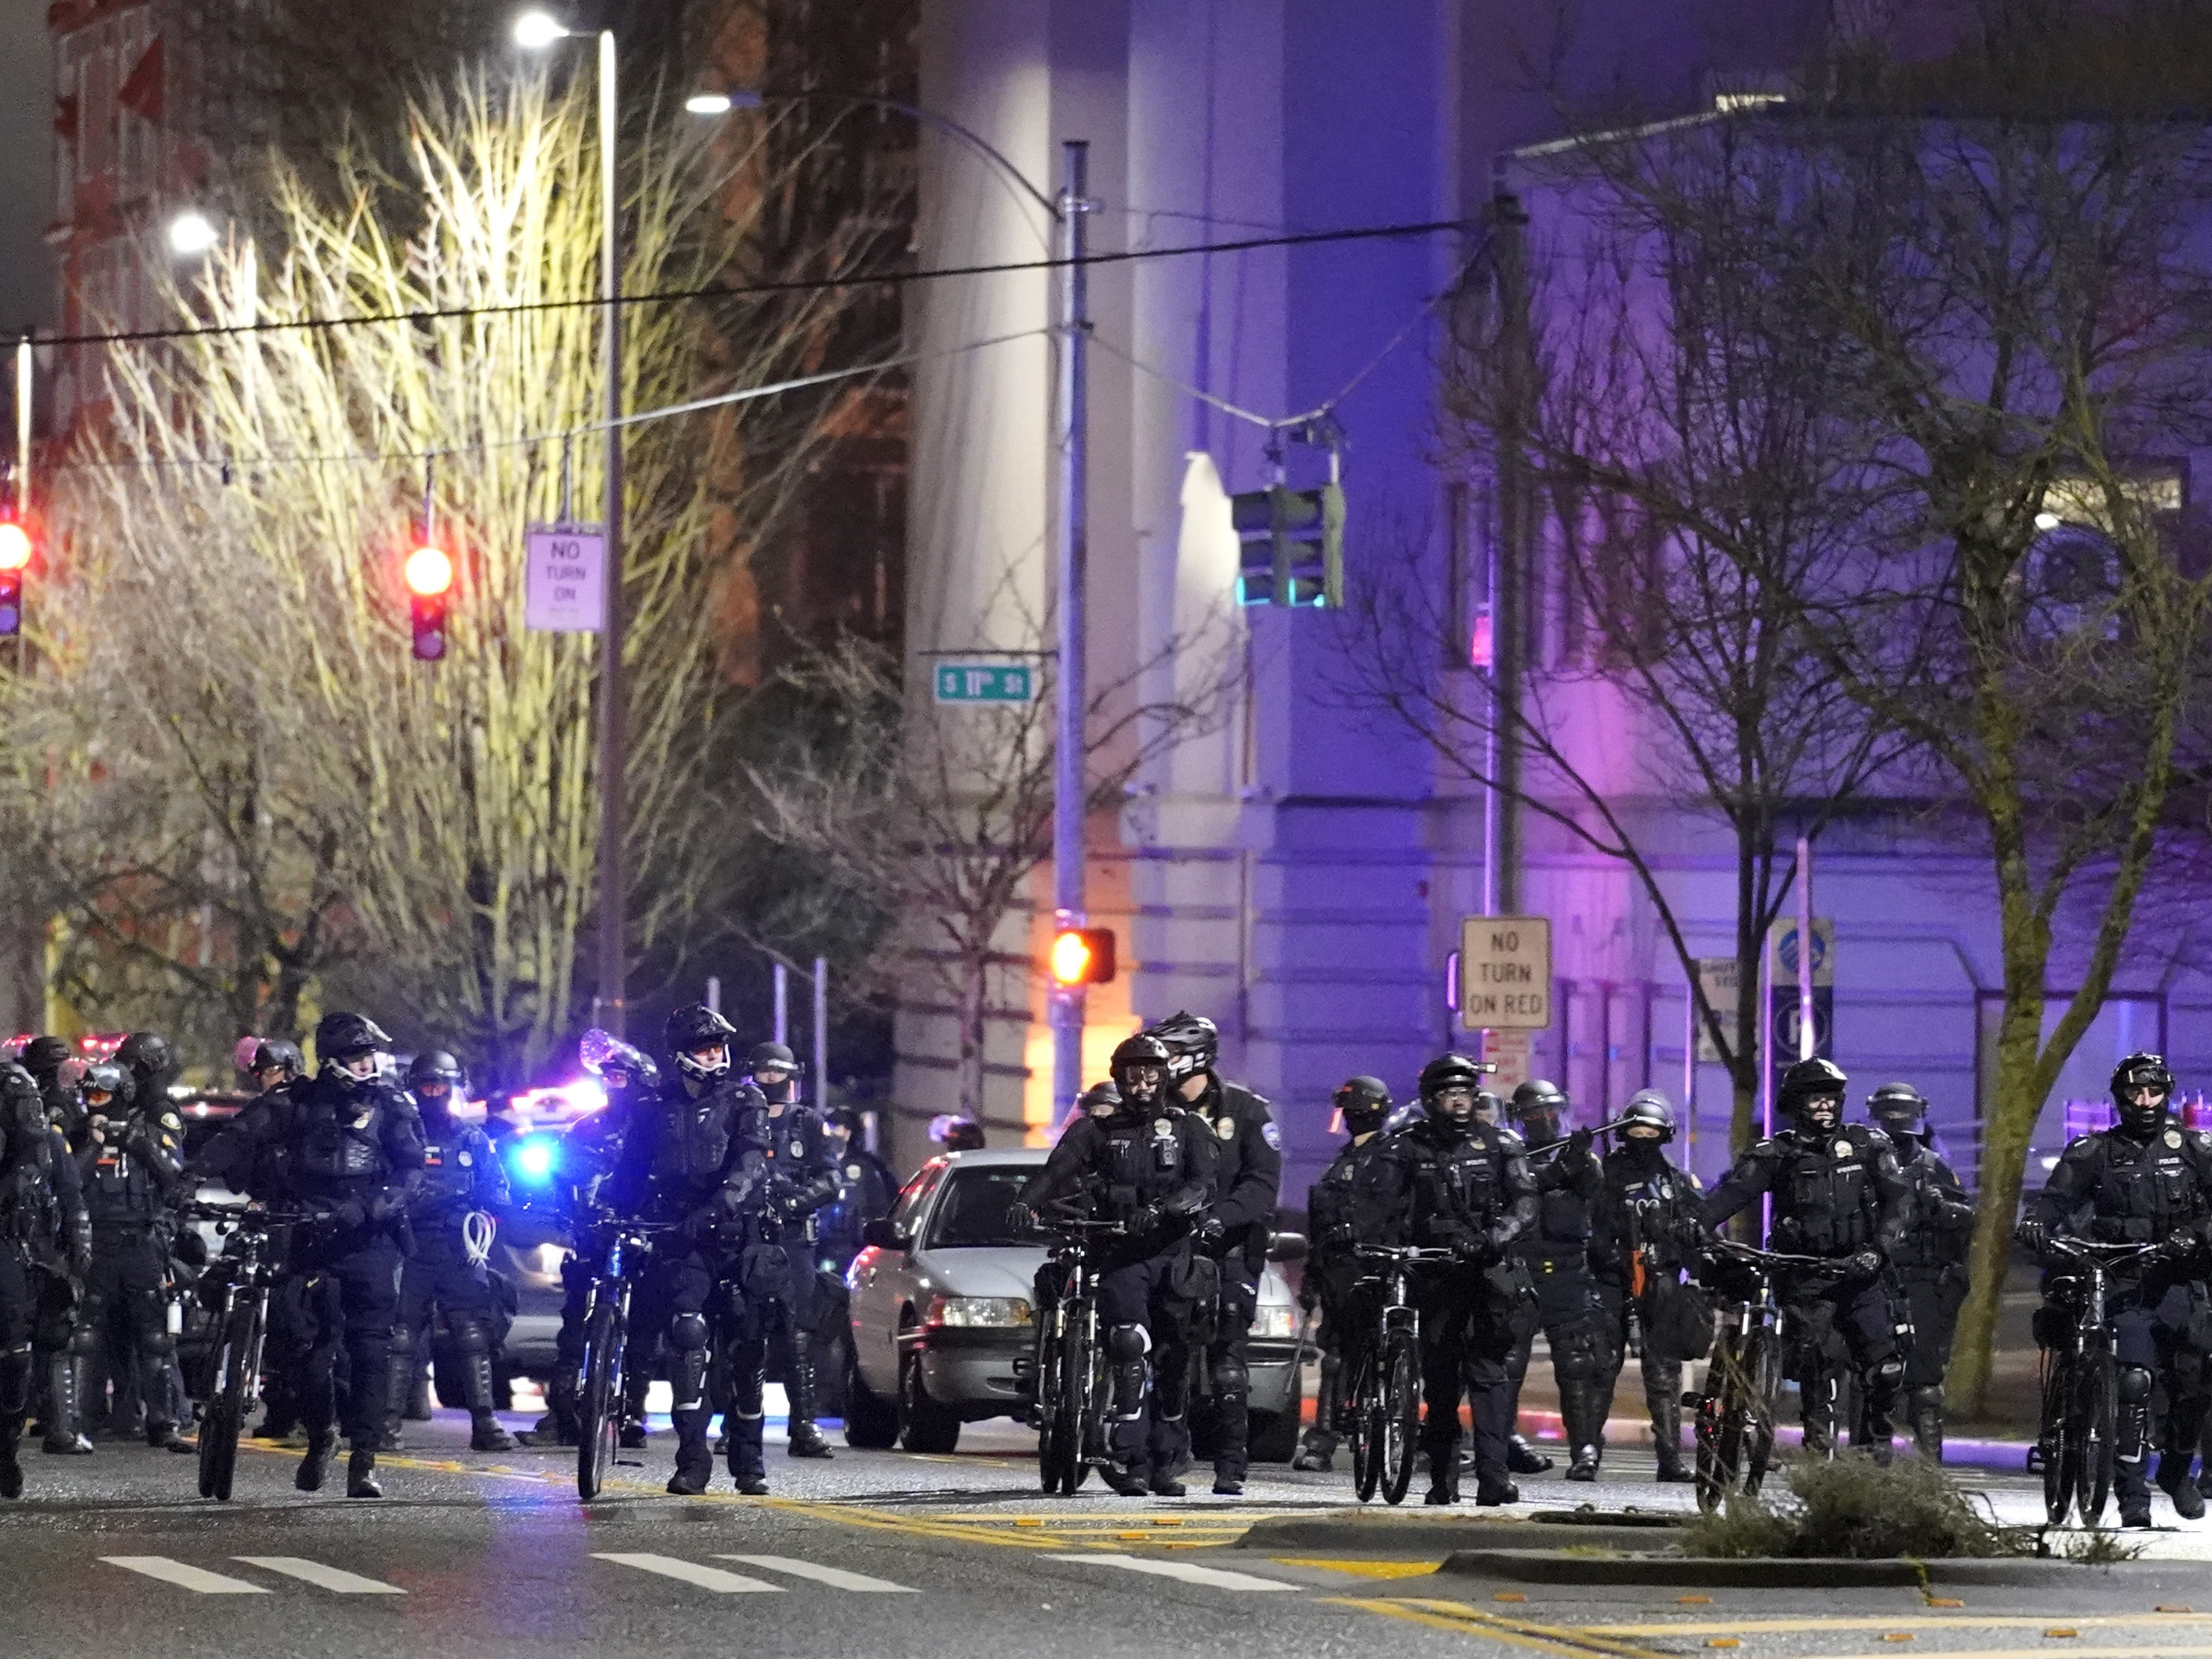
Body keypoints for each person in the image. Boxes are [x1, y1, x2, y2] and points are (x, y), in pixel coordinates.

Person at [204, 1012, 424, 1498]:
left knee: (370, 1349)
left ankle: (363, 1459)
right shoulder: (298, 1102)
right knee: (300, 1351)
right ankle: (321, 1431)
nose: (367, 1063)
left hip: (368, 1240)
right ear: (332, 1059)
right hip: (306, 1236)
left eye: (370, 1053)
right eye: (356, 1054)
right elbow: (238, 1136)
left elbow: (412, 1172)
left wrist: (368, 1209)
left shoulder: (391, 1104)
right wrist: (186, 1175)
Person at [1010, 1033, 1217, 1496]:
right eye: (1131, 1074)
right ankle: (1131, 1456)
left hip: (1172, 1254)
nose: (1141, 1083)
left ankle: (1167, 1458)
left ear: (1164, 1078)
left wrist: (1164, 1211)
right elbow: (1055, 1171)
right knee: (1128, 1344)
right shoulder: (1097, 1131)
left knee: (1173, 1358)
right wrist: (1027, 1202)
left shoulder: (1189, 1130)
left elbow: (1203, 1186)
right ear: (1118, 1078)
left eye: (1150, 1074)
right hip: (1123, 1255)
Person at [2021, 1053, 2212, 1527]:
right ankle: (2132, 1496)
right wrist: (2035, 1226)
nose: (2145, 1101)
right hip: (2122, 1278)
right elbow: (2056, 1201)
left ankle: (2174, 1471)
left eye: (2154, 1092)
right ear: (2120, 1097)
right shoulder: (2094, 1152)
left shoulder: (2195, 1149)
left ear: (2166, 1094)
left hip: (2179, 1279)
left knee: (2195, 1382)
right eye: (2135, 1092)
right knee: (2134, 1382)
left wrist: (2198, 1234)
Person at [1702, 1056, 1912, 1462]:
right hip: (1804, 1274)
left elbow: (1900, 1201)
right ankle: (1818, 1443)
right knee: (1816, 1358)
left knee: (1885, 1367)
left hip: (1862, 1271)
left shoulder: (1869, 1145)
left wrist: (1878, 1249)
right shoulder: (1777, 1152)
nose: (1825, 1107)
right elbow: (1733, 1194)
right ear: (1797, 1104)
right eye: (1817, 1099)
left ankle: (1875, 1442)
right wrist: (1697, 1224)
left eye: (1832, 1099)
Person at [606, 1003, 768, 1495]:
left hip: (738, 1235)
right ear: (680, 1055)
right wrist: (607, 1209)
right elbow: (631, 1170)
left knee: (745, 1348)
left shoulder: (746, 1100)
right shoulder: (654, 1105)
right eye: (704, 1046)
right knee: (686, 1334)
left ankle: (748, 1462)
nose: (714, 1054)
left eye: (718, 1045)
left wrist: (720, 1206)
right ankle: (692, 1462)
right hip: (681, 1236)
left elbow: (750, 1163)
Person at [1147, 1010, 1281, 1496]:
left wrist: (1219, 1219)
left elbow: (1262, 1186)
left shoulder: (1246, 1111)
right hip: (1172, 1246)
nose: (1163, 1066)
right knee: (1168, 1351)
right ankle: (1165, 1458)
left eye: (1172, 1056)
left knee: (1227, 1355)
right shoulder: (1154, 1113)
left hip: (1230, 1247)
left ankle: (1230, 1463)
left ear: (1198, 1056)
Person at [1401, 1052, 1538, 1506]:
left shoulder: (1502, 1145)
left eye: (1465, 1093)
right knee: (1439, 1382)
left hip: (1487, 1278)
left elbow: (1525, 1202)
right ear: (1431, 1100)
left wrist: (1497, 1236)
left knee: (1488, 1377)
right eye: (1448, 1095)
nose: (1458, 1103)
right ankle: (1443, 1480)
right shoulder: (1409, 1148)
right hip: (1434, 1278)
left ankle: (1493, 1477)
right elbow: (1384, 1205)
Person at [530, 1030, 657, 1447]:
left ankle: (634, 1412)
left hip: (645, 1233)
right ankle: (562, 1411)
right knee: (574, 1323)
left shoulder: (659, 1127)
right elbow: (560, 1172)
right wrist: (563, 1206)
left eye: (620, 1078)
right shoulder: (587, 1128)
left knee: (643, 1322)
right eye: (609, 1079)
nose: (612, 1085)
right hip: (594, 1233)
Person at [387, 1050, 516, 1453]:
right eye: (427, 1086)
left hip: (459, 1245)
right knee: (402, 1336)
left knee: (473, 1334)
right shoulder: (401, 1135)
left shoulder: (473, 1138)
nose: (435, 1093)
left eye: (441, 1086)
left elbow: (500, 1190)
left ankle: (485, 1422)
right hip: (411, 1245)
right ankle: (387, 1425)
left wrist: (471, 1197)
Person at [1292, 1076, 1412, 1473]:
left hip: (1380, 1265)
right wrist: (1313, 1273)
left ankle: (1410, 1436)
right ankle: (1325, 1438)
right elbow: (1323, 1223)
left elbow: (1396, 1210)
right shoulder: (1345, 1159)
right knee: (1337, 1356)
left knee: (1390, 1350)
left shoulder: (1394, 1156)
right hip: (1340, 1268)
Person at [70, 1059, 189, 1450]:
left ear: (121, 1096)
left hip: (141, 1245)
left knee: (156, 1339)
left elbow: (174, 1176)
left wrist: (140, 1144)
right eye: (88, 1095)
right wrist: (94, 1144)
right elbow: (66, 1183)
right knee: (85, 1338)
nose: (93, 1103)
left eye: (101, 1095)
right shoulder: (79, 1134)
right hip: (96, 1246)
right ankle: (77, 1423)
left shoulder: (151, 1133)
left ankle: (163, 1422)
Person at [1590, 1089, 1704, 1482]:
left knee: (1664, 1375)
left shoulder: (1676, 1179)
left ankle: (1670, 1459)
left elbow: (1700, 1231)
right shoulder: (1605, 1174)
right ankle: (1587, 1455)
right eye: (1635, 1130)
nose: (1642, 1136)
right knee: (1600, 1369)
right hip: (1612, 1281)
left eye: (1650, 1130)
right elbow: (1586, 1223)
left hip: (1661, 1284)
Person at [1501, 1079, 1612, 1481]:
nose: (1543, 1121)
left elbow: (1596, 1197)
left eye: (1550, 1113)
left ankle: (1585, 1447)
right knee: (1507, 1360)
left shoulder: (1582, 1160)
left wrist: (1578, 1163)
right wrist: (1558, 1170)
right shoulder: (1508, 1156)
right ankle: (1500, 1440)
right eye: (1534, 1115)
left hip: (1568, 1270)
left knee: (1578, 1364)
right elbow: (1520, 1188)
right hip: (1518, 1270)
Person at [733, 1041, 840, 1461]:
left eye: (777, 1073)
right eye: (763, 1072)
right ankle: (741, 1421)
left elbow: (831, 1179)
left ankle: (804, 1424)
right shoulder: (738, 1119)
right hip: (748, 1235)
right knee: (743, 1329)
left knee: (798, 1332)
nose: (770, 1080)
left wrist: (794, 1201)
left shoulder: (808, 1124)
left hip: (793, 1235)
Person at [1864, 1081, 1973, 1461]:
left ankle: (1929, 1469)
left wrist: (1940, 1208)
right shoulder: (1860, 1164)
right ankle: (1872, 1461)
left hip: (1925, 1280)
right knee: (1876, 1374)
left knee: (1925, 1383)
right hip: (1876, 1279)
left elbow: (1966, 1220)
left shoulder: (1933, 1166)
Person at [0, 1059, 60, 1497]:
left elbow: (33, 1152)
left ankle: (5, 1443)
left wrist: (12, 1190)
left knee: (12, 1349)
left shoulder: (12, 1086)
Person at [817, 1108, 898, 1275]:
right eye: (829, 1129)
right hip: (821, 1244)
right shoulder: (816, 1165)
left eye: (837, 1129)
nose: (833, 1135)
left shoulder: (865, 1167)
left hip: (854, 1244)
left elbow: (880, 1205)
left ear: (848, 1133)